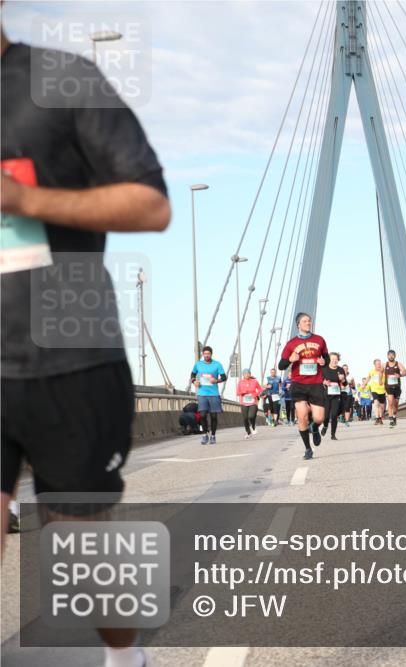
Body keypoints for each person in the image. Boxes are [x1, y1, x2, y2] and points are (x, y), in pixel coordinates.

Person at [1, 26, 170, 667]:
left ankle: (125, 658)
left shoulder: (61, 78)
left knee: (81, 555)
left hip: (70, 358)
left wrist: (25, 199)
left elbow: (150, 205)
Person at [277, 312, 329, 460]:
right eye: (305, 321)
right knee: (302, 416)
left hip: (316, 383)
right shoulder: (291, 344)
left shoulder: (319, 340)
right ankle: (307, 448)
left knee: (319, 418)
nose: (308, 323)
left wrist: (324, 361)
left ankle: (314, 427)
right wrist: (290, 359)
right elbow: (281, 365)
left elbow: (326, 357)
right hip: (299, 383)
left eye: (309, 320)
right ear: (298, 324)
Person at [190, 346, 226, 444]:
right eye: (205, 354)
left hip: (214, 394)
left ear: (211, 354)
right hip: (202, 393)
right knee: (202, 415)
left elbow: (224, 377)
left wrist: (216, 380)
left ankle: (213, 436)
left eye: (208, 354)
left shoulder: (217, 364)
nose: (206, 355)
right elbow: (192, 374)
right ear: (202, 354)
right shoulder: (198, 364)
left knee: (213, 416)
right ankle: (205, 435)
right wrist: (194, 381)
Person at [321, 352, 347, 440]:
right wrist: (324, 382)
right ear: (329, 360)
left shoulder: (340, 370)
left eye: (336, 359)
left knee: (334, 415)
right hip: (326, 394)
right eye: (332, 359)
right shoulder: (324, 368)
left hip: (336, 395)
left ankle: (333, 434)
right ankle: (325, 426)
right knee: (326, 416)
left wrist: (343, 379)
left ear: (338, 360)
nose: (334, 361)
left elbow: (345, 384)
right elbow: (319, 379)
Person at [383, 349, 406, 428]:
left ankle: (394, 416)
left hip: (397, 387)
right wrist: (380, 381)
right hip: (388, 387)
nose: (391, 356)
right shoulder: (384, 365)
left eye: (392, 355)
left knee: (396, 404)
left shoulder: (398, 364)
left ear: (395, 356)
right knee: (390, 402)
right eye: (389, 355)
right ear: (387, 356)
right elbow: (380, 373)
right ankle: (391, 420)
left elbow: (405, 372)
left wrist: (400, 375)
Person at [236, 368, 262, 439]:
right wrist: (242, 392)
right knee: (245, 418)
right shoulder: (240, 382)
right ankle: (248, 432)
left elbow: (260, 390)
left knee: (251, 416)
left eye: (248, 373)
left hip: (253, 402)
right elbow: (237, 393)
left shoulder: (254, 381)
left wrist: (255, 394)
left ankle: (253, 426)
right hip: (244, 402)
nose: (247, 375)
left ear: (250, 374)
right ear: (243, 375)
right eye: (245, 374)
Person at [367, 358, 387, 425]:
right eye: (378, 364)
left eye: (380, 364)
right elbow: (368, 379)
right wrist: (364, 385)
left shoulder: (384, 372)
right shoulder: (371, 372)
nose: (379, 365)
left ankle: (380, 418)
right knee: (376, 403)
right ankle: (377, 418)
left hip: (382, 390)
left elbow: (386, 381)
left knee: (382, 406)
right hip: (374, 390)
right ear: (375, 365)